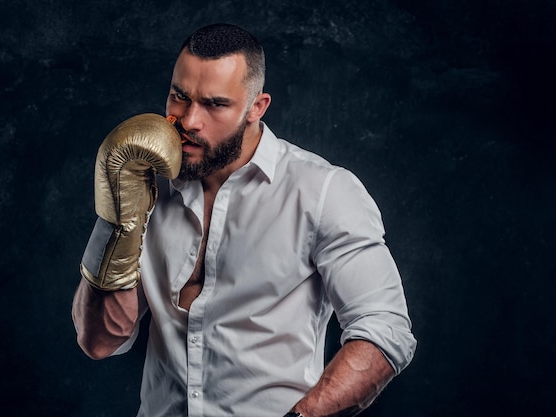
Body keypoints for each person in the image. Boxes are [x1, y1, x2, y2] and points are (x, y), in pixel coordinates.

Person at [72, 23, 416, 417]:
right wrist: (120, 218)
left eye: (214, 104)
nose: (189, 121)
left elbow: (384, 330)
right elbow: (99, 342)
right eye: (178, 97)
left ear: (257, 107)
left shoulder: (321, 191)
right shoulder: (143, 181)